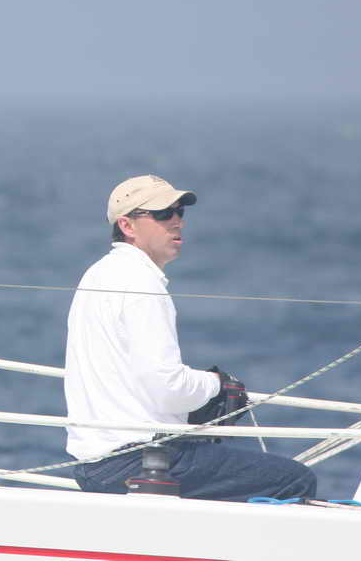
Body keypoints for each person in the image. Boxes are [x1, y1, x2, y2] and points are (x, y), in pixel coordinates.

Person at [63, 174, 316, 502]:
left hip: (93, 463)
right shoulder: (141, 283)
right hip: (138, 460)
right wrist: (218, 386)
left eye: (179, 211)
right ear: (127, 225)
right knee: (295, 480)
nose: (177, 221)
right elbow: (167, 388)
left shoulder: (98, 273)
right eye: (162, 213)